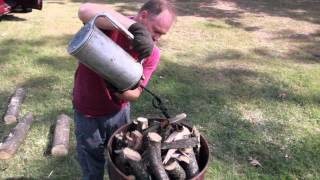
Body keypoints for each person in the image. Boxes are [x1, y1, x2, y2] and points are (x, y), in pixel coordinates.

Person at [72, 0, 176, 179]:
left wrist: (117, 86)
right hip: (87, 111)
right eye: (156, 30)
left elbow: (135, 94)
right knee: (91, 164)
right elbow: (84, 10)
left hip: (118, 114)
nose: (157, 38)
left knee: (121, 163)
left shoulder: (151, 53)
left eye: (162, 34)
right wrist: (135, 28)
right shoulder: (110, 25)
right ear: (143, 16)